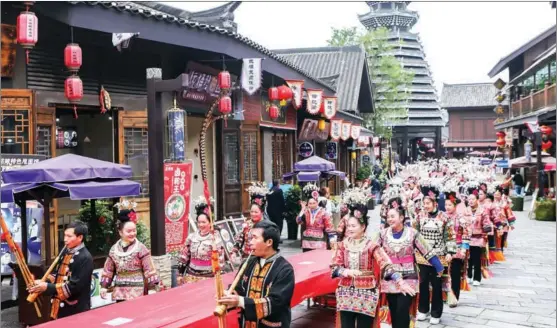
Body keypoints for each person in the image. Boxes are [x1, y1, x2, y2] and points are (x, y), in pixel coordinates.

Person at [331, 204, 414, 328]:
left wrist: (400, 281)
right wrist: (345, 271)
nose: (349, 229)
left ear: (363, 227)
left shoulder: (371, 245)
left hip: (367, 293)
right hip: (345, 293)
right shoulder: (343, 245)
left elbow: (385, 264)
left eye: (353, 226)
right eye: (348, 226)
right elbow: (334, 267)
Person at [374, 197, 444, 328]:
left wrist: (438, 266)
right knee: (394, 310)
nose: (390, 219)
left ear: (401, 218)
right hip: (390, 277)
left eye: (393, 216)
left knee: (402, 309)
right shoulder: (382, 234)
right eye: (388, 217)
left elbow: (426, 249)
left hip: (408, 277)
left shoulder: (412, 233)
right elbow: (372, 249)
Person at [218, 220, 295, 328]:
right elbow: (239, 288)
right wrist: (229, 296)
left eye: (255, 238)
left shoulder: (285, 269)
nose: (250, 242)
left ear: (269, 242)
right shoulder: (248, 262)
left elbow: (275, 302)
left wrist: (240, 301)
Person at [27, 220, 94, 320]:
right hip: (60, 307)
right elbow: (57, 274)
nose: (65, 239)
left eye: (69, 236)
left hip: (76, 309)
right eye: (65, 235)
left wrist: (47, 287)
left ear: (80, 237)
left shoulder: (85, 258)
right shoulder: (66, 251)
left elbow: (74, 287)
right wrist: (42, 282)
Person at [414, 184, 456, 325]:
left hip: (439, 257)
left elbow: (449, 236)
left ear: (435, 203)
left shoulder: (444, 218)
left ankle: (436, 312)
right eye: (423, 203)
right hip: (422, 257)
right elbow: (415, 235)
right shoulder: (419, 216)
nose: (425, 206)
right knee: (423, 284)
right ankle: (423, 310)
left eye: (427, 203)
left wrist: (450, 252)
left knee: (437, 285)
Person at [100, 206, 159, 302]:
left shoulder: (141, 248)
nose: (132, 233)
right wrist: (104, 287)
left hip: (138, 291)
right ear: (120, 232)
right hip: (120, 291)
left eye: (134, 230)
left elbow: (149, 269)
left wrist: (152, 288)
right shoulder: (114, 249)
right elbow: (108, 270)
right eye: (129, 231)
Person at [177, 196, 225, 284]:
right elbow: (184, 256)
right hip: (190, 277)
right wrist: (180, 274)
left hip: (208, 279)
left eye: (204, 222)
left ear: (210, 223)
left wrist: (219, 278)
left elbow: (220, 261)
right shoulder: (191, 237)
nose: (200, 225)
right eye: (199, 222)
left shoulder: (215, 239)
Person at [444, 190, 471, 307]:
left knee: (455, 274)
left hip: (458, 249)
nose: (447, 207)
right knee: (444, 273)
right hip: (444, 250)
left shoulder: (461, 218)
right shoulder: (442, 217)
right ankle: (445, 295)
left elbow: (467, 232)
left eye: (449, 205)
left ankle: (454, 297)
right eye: (445, 205)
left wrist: (464, 248)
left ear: (455, 205)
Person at [296, 183, 336, 252]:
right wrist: (302, 209)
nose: (312, 205)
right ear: (307, 204)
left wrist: (332, 239)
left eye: (314, 203)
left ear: (317, 202)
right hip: (307, 241)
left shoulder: (323, 212)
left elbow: (329, 226)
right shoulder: (306, 212)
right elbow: (298, 221)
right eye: (310, 203)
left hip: (319, 240)